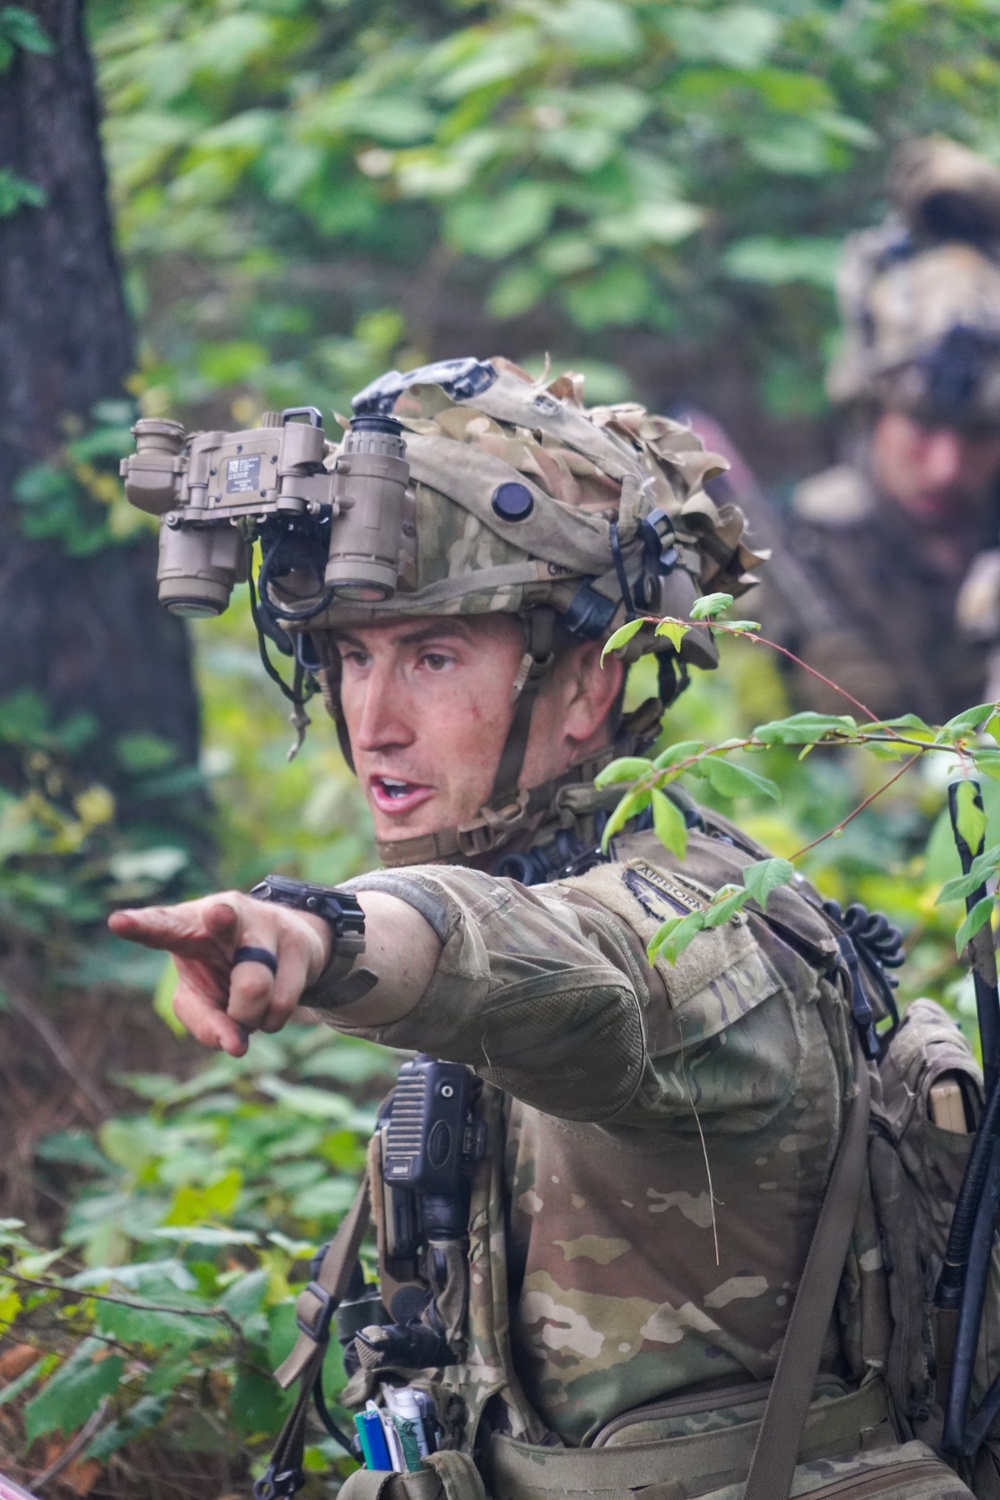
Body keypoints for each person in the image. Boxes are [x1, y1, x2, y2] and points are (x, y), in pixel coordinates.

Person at [110, 358, 981, 1500]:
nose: (372, 723)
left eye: (432, 657)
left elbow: (554, 968)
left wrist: (318, 936)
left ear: (587, 689)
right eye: (350, 657)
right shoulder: (538, 866)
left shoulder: (694, 925)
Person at [757, 137, 1000, 724]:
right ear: (873, 411)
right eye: (922, 427)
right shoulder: (801, 550)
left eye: (978, 436)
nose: (947, 465)